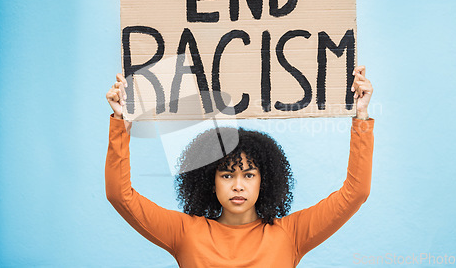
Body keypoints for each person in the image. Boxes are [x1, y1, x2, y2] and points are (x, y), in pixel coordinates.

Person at [105, 65, 374, 267]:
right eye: (226, 175)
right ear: (210, 180)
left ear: (263, 180)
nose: (237, 185)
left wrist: (361, 115)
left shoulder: (290, 235)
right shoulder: (185, 233)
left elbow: (356, 193)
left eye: (248, 174)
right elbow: (120, 195)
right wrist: (121, 124)